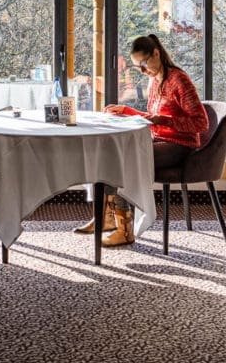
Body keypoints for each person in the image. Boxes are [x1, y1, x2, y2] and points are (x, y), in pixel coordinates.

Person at [73, 33, 210, 246]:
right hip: (159, 139)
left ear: (156, 53)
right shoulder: (154, 81)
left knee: (123, 161)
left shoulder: (178, 80)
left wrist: (163, 121)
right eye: (139, 67)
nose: (143, 71)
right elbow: (153, 118)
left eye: (144, 64)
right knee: (109, 154)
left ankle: (125, 229)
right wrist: (127, 110)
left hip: (180, 145)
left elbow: (201, 123)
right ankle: (108, 217)